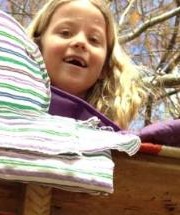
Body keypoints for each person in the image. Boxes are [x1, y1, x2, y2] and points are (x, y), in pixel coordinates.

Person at [28, 0, 149, 129]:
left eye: (94, 40)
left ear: (105, 67)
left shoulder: (112, 139)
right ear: (38, 46)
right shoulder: (7, 108)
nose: (80, 42)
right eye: (65, 32)